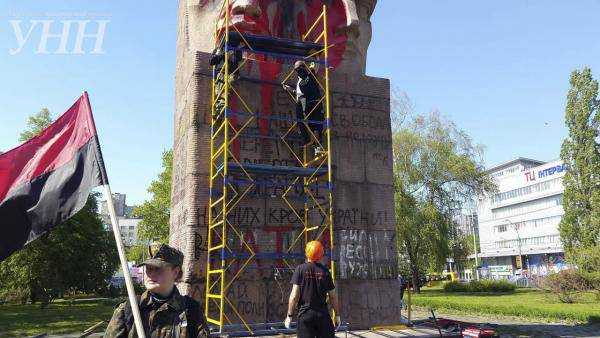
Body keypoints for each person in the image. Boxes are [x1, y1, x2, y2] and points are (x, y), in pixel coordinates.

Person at [104, 242, 209, 338]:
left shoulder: (191, 310)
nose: (151, 274)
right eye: (149, 268)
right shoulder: (129, 308)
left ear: (175, 272)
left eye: (158, 269)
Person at [284, 240, 340, 338]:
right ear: (321, 255)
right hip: (322, 316)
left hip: (305, 316)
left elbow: (294, 296)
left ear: (307, 253)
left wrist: (289, 316)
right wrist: (337, 315)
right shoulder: (325, 272)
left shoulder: (300, 269)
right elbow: (333, 296)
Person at [283, 61, 325, 154]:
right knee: (311, 125)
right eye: (297, 70)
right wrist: (291, 90)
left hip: (315, 103)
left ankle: (317, 146)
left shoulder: (310, 75)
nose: (299, 71)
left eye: (300, 68)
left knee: (316, 125)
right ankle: (314, 144)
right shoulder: (300, 81)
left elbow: (315, 64)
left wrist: (313, 60)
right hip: (307, 104)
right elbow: (300, 94)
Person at [210, 33, 242, 122]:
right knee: (221, 94)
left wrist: (234, 53)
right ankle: (219, 112)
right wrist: (221, 54)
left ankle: (220, 112)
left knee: (226, 93)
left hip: (232, 73)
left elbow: (239, 58)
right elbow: (211, 61)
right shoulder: (218, 49)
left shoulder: (236, 49)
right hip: (222, 73)